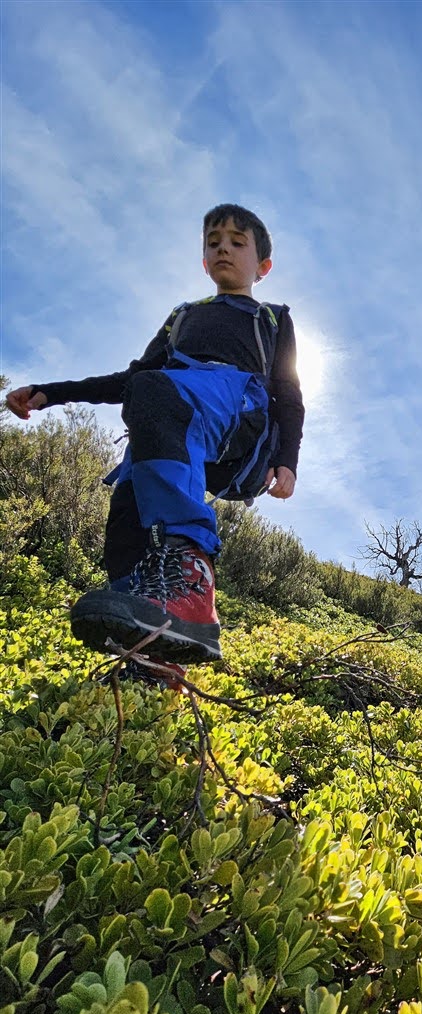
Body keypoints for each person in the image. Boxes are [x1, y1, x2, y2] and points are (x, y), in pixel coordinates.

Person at [5, 203, 305, 667]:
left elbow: (288, 391)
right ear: (204, 261)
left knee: (158, 391)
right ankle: (149, 637)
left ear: (262, 266)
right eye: (213, 242)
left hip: (238, 408)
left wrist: (288, 460)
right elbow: (132, 380)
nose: (223, 247)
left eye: (237, 242)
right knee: (129, 495)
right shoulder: (182, 317)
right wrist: (52, 392)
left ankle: (191, 582)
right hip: (175, 409)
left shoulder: (270, 318)